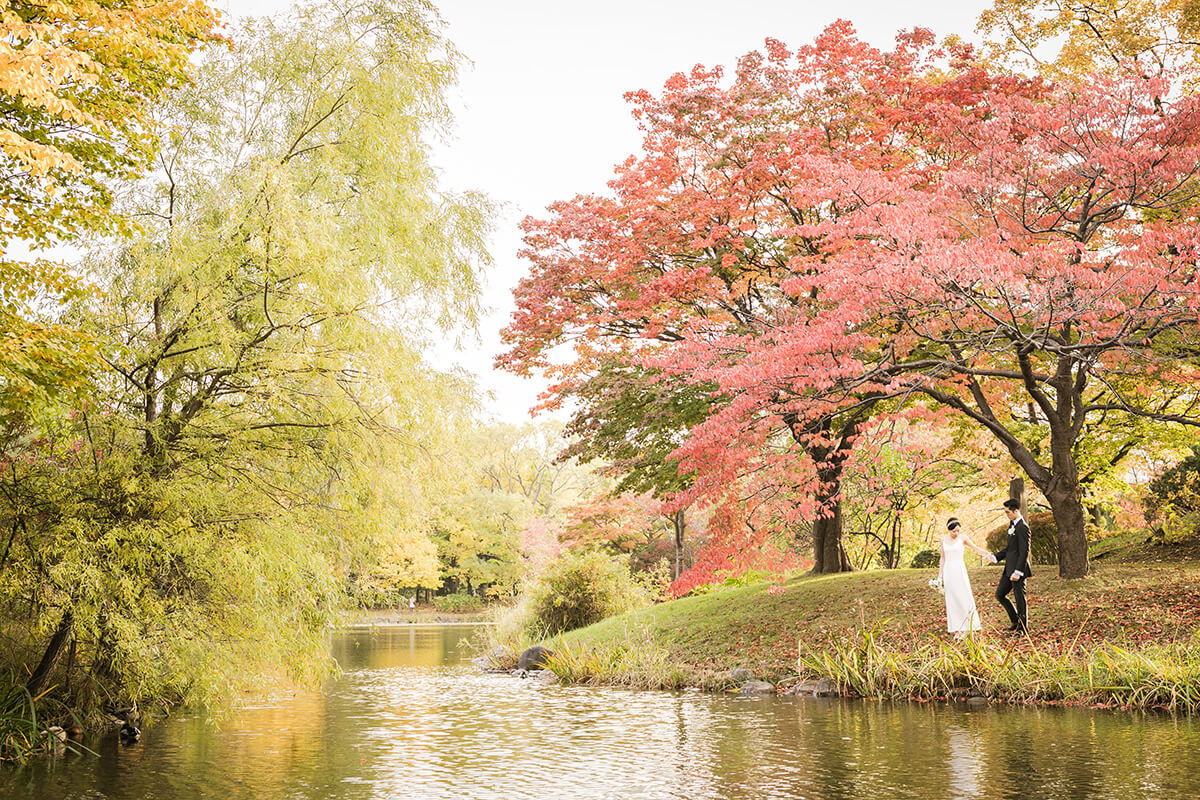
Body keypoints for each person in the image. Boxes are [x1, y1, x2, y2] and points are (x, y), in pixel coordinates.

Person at [939, 517, 996, 639]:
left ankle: (968, 626)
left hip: (959, 570)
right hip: (949, 571)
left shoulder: (963, 538)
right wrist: (940, 576)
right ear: (949, 530)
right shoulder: (943, 540)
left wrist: (987, 554)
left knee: (964, 597)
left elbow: (975, 548)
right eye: (954, 531)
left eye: (958, 530)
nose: (956, 533)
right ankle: (957, 629)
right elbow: (942, 558)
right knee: (952, 600)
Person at [994, 498, 1033, 633]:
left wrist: (1018, 571)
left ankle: (1023, 629)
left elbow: (1024, 552)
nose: (1007, 515)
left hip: (1017, 570)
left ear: (1016, 511)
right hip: (1008, 569)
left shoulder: (1022, 527)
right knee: (1000, 594)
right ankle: (1015, 622)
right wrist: (995, 557)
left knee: (1019, 599)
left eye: (1008, 512)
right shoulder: (1012, 525)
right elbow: (1010, 549)